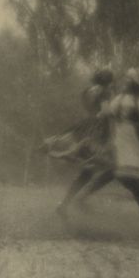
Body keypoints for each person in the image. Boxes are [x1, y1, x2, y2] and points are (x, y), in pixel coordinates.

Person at [74, 67, 139, 234]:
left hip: (133, 141)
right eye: (126, 79)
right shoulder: (121, 97)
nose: (126, 82)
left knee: (126, 177)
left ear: (135, 82)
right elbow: (108, 112)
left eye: (129, 80)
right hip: (120, 139)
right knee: (127, 179)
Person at [40, 68, 115, 216]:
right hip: (99, 132)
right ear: (108, 81)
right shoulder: (106, 92)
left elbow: (90, 108)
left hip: (87, 126)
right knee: (111, 167)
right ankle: (80, 199)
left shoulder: (89, 91)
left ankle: (66, 203)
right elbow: (106, 112)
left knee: (87, 172)